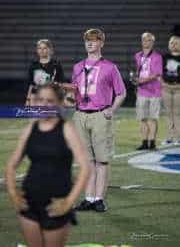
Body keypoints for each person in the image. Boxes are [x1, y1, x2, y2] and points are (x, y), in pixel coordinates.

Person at [5, 82, 89, 247]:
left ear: (59, 103)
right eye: (40, 100)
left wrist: (68, 202)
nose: (44, 105)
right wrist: (14, 194)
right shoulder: (31, 129)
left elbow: (86, 168)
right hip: (29, 202)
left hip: (55, 204)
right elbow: (11, 165)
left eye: (50, 101)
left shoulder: (66, 129)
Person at [72, 28, 126, 212]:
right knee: (86, 161)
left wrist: (112, 109)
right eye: (87, 40)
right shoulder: (77, 67)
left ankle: (99, 199)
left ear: (102, 43)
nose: (90, 43)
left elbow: (121, 92)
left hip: (100, 115)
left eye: (94, 40)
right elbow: (75, 93)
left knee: (101, 160)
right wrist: (67, 97)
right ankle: (88, 198)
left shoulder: (110, 67)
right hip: (80, 115)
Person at [134, 32, 163, 150]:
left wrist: (141, 81)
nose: (146, 42)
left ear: (152, 42)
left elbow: (156, 74)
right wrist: (136, 80)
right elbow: (139, 71)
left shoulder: (157, 56)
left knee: (153, 118)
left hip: (154, 92)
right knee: (142, 118)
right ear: (141, 41)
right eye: (144, 40)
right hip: (142, 91)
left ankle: (152, 142)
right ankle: (145, 142)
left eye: (149, 40)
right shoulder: (137, 56)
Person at [26, 39, 65, 105]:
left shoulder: (56, 64)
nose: (42, 50)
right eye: (39, 48)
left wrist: (61, 99)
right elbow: (31, 85)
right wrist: (28, 100)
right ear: (37, 50)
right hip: (35, 96)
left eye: (44, 48)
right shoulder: (33, 65)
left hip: (51, 96)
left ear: (49, 49)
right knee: (35, 114)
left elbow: (61, 83)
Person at [161, 35, 180, 145]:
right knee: (168, 113)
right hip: (166, 88)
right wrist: (163, 84)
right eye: (171, 43)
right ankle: (169, 137)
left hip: (179, 89)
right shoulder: (164, 57)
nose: (173, 45)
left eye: (176, 43)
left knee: (177, 113)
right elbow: (159, 73)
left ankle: (178, 138)